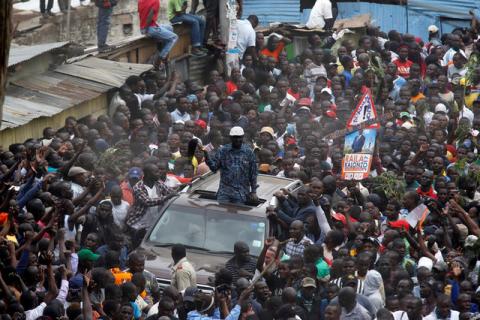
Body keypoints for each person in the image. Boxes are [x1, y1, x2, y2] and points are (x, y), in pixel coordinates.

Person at [125, 163, 177, 246]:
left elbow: (170, 191)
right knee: (137, 247)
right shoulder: (138, 187)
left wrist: (181, 188)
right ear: (148, 174)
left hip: (153, 224)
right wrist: (166, 197)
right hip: (138, 225)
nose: (159, 173)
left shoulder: (158, 183)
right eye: (156, 172)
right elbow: (147, 202)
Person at [204, 126, 258, 204]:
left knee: (237, 215)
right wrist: (207, 156)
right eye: (235, 137)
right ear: (231, 138)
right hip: (225, 192)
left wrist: (253, 191)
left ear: (242, 137)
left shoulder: (248, 152)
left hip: (241, 193)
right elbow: (214, 168)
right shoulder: (222, 151)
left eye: (239, 137)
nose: (237, 140)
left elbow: (253, 174)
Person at [138, 0, 179, 70]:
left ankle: (163, 50)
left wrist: (144, 28)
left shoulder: (140, 1)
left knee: (169, 27)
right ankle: (161, 57)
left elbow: (141, 14)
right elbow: (150, 16)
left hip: (144, 27)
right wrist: (146, 30)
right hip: (149, 28)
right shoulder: (155, 1)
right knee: (174, 37)